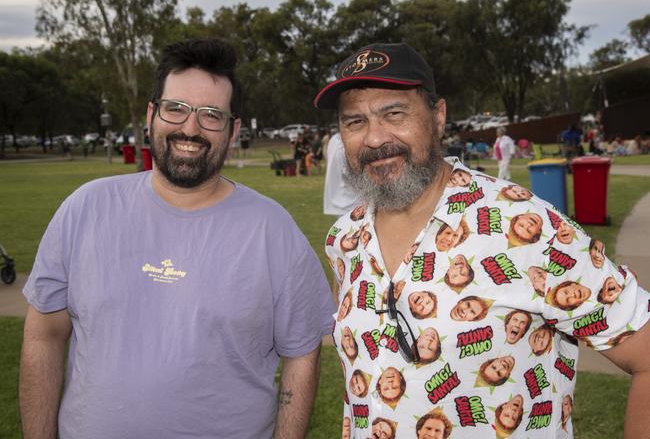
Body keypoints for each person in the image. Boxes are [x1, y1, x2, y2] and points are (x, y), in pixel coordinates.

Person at [316, 42, 650, 438]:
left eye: (394, 113)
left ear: (438, 117)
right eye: (354, 122)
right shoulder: (345, 239)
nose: (374, 138)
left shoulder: (523, 224)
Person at [19, 38, 335, 439]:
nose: (190, 128)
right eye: (176, 109)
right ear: (153, 113)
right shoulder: (85, 209)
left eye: (211, 115)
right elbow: (44, 336)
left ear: (233, 130)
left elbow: (302, 356)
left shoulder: (272, 230)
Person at [323, 132, 360, 215]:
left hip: (340, 200)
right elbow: (350, 172)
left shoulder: (334, 140)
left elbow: (328, 159)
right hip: (350, 202)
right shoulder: (344, 143)